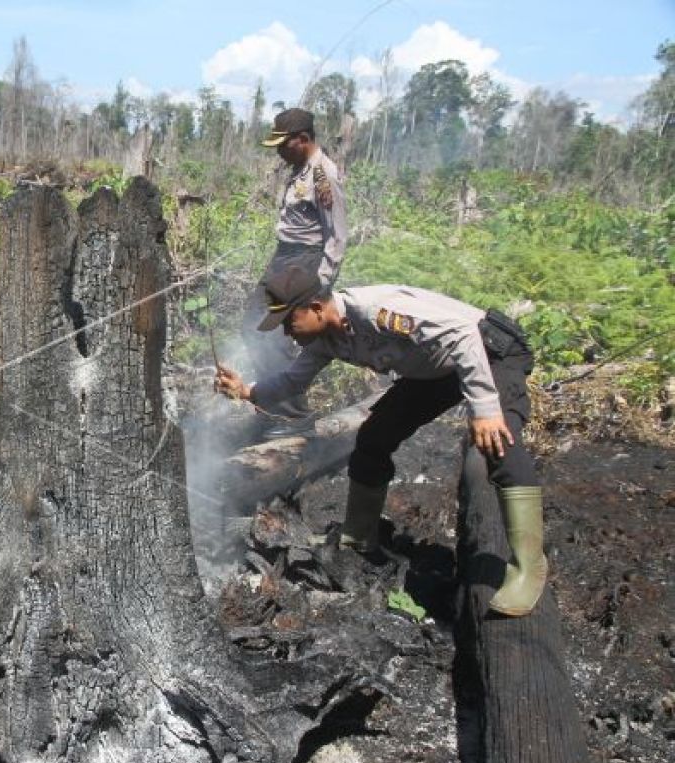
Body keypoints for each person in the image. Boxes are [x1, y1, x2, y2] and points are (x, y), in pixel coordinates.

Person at [215, 264, 546, 617]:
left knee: (498, 444)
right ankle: (359, 537)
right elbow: (292, 382)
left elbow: (464, 335)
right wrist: (248, 391)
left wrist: (484, 407)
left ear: (315, 308)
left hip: (490, 352)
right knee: (374, 438)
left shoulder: (377, 311)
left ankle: (529, 567)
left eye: (288, 323)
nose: (286, 333)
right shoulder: (325, 339)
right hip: (438, 369)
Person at [243, 107, 348, 430]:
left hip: (305, 262)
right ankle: (275, 405)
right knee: (252, 323)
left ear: (302, 139)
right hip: (284, 258)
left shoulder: (322, 174)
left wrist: (321, 281)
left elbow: (337, 234)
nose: (278, 151)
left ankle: (291, 416)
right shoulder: (300, 168)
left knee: (274, 333)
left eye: (283, 144)